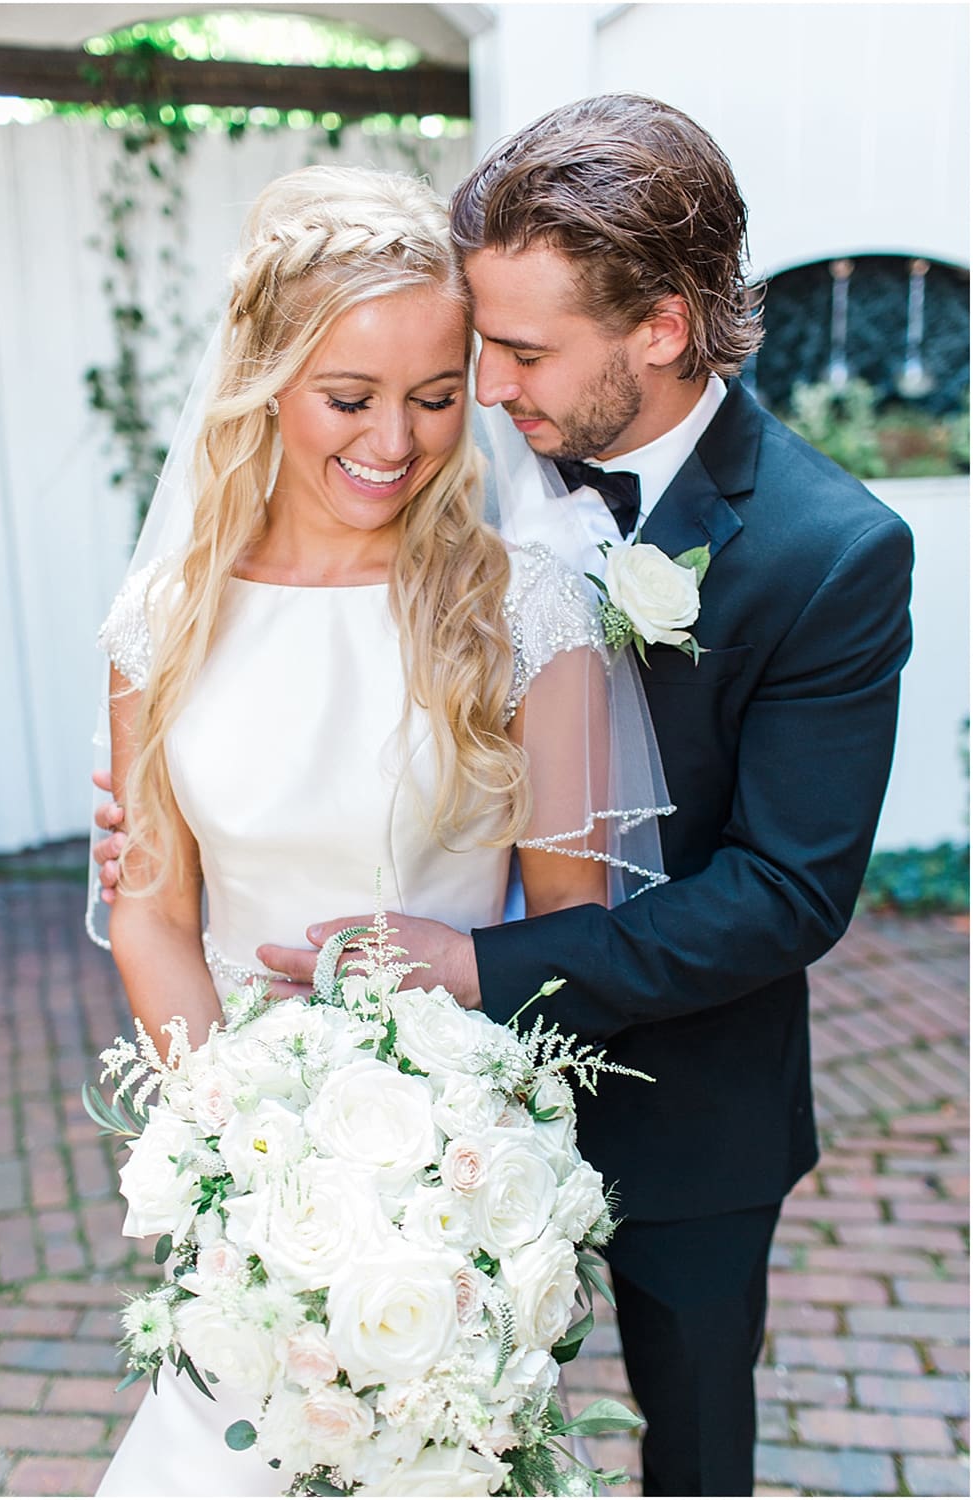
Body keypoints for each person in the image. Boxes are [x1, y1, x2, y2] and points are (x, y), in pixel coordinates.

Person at [247, 98, 910, 1497]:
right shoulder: (446, 473)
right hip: (428, 1108)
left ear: (661, 330)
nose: (482, 389)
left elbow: (786, 894)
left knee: (694, 1448)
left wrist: (481, 965)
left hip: (691, 1106)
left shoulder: (831, 552)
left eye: (524, 351)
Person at [87, 166, 656, 1494]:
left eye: (438, 396)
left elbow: (576, 934)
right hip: (249, 1180)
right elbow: (154, 907)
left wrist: (452, 1178)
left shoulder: (532, 616)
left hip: (455, 1192)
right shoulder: (159, 620)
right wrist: (238, 1143)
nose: (395, 441)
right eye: (350, 398)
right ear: (266, 381)